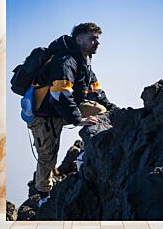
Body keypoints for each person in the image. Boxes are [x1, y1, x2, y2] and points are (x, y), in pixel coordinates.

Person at [28, 22, 115, 205]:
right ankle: (44, 195)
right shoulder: (66, 60)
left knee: (101, 112)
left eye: (98, 39)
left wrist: (113, 109)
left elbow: (95, 91)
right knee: (47, 156)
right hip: (45, 115)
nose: (97, 43)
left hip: (65, 107)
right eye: (92, 38)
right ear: (79, 39)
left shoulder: (84, 60)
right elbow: (60, 94)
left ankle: (87, 152)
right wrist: (77, 119)